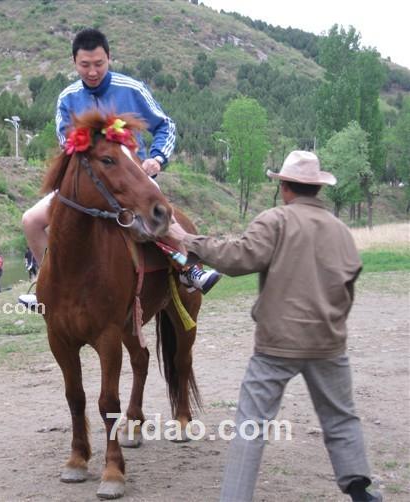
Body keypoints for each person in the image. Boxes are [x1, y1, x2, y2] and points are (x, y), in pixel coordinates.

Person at [171, 151, 381, 502]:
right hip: (329, 342)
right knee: (341, 417)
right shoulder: (340, 230)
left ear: (284, 187)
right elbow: (350, 279)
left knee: (251, 426)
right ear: (316, 190)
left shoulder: (275, 220)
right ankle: (359, 488)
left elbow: (237, 258)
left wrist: (187, 239)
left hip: (275, 346)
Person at [20, 28, 220, 303]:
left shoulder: (132, 89)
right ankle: (48, 284)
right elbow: (67, 144)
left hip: (131, 176)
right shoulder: (68, 98)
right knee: (31, 220)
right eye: (85, 65)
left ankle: (187, 268)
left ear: (109, 59)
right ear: (74, 63)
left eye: (99, 64)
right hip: (89, 182)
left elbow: (166, 125)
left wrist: (157, 158)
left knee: (163, 215)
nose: (92, 71)